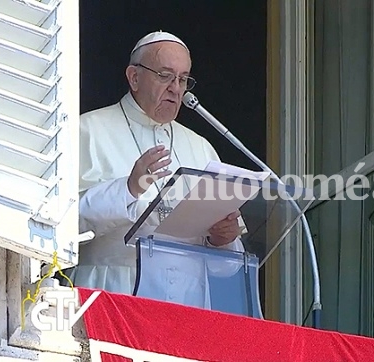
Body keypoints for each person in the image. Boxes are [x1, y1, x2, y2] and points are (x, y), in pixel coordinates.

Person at [67, 31, 246, 308]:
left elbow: (226, 268)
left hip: (189, 304)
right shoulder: (85, 131)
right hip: (111, 295)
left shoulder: (200, 148)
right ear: (134, 77)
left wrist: (223, 240)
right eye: (165, 75)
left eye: (183, 78)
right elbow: (64, 225)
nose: (176, 88)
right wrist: (128, 189)